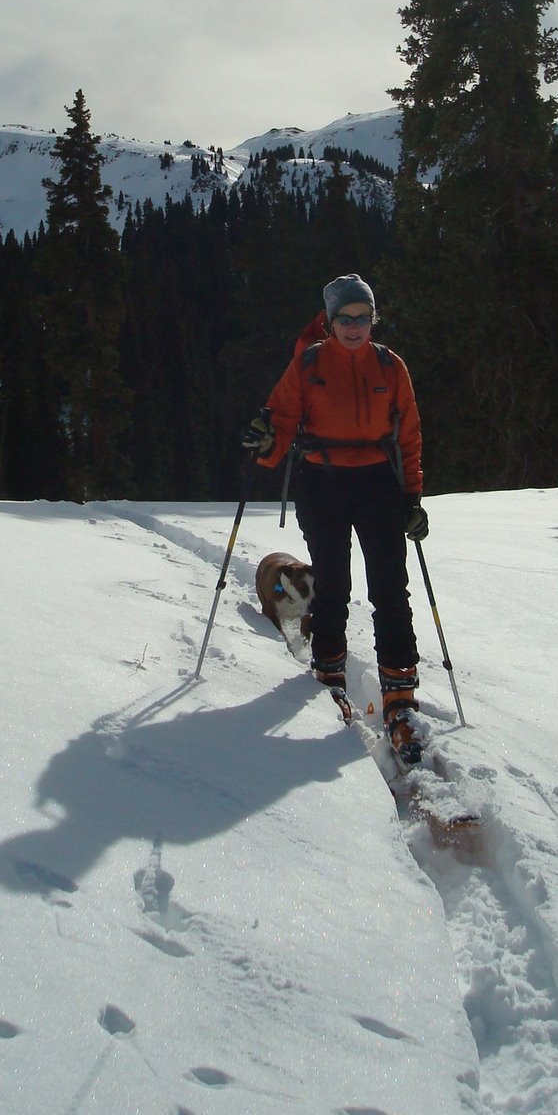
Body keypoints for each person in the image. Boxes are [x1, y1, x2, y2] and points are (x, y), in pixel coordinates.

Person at [242, 274, 430, 760]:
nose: (353, 326)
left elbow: (408, 436)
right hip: (322, 482)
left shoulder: (391, 367)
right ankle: (329, 669)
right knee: (333, 580)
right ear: (329, 321)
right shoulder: (307, 364)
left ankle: (400, 693)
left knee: (390, 585)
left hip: (378, 484)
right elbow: (281, 422)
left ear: (373, 319)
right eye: (344, 318)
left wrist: (412, 497)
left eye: (362, 317)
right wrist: (266, 444)